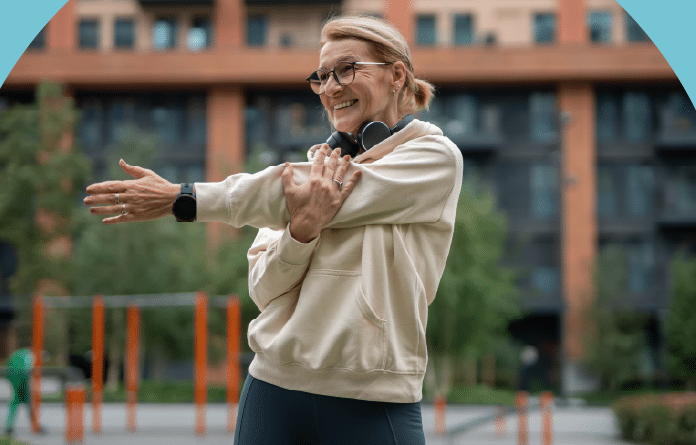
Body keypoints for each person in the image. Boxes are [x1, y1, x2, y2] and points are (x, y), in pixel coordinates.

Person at [83, 14, 463, 444]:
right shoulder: (311, 172)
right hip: (272, 393)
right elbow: (264, 289)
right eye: (321, 77)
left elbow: (307, 193)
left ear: (396, 75)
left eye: (346, 69)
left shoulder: (435, 158)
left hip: (375, 402)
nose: (332, 87)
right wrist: (301, 234)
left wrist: (183, 197)